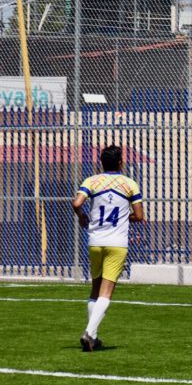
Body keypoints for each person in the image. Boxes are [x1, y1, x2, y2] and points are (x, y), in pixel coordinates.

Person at [72, 145, 144, 352]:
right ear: (121, 163)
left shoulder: (92, 181)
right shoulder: (129, 184)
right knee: (106, 292)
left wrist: (83, 217)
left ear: (101, 163)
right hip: (117, 243)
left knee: (95, 288)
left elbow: (77, 203)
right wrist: (124, 217)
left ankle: (93, 338)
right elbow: (139, 216)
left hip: (95, 241)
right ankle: (89, 332)